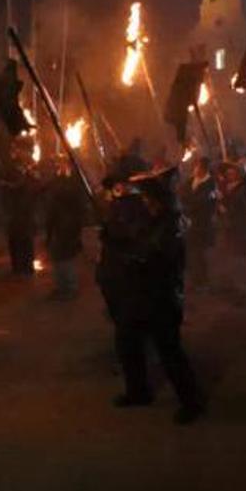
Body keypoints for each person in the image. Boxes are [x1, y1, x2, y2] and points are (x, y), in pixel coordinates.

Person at [97, 166, 204, 425]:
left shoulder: (171, 224)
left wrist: (116, 246)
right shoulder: (154, 220)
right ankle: (138, 391)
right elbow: (136, 242)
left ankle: (192, 401)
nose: (143, 202)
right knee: (127, 343)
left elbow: (147, 256)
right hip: (138, 294)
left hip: (161, 296)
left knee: (169, 351)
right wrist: (116, 239)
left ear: (158, 200)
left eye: (147, 199)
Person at [44, 158, 86, 300]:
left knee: (65, 257)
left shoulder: (73, 183)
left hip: (67, 226)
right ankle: (61, 286)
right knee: (57, 257)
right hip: (59, 224)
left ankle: (70, 288)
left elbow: (74, 200)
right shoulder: (59, 181)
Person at [218, 161, 246, 297]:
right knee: (233, 255)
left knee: (242, 257)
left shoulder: (245, 189)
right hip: (231, 227)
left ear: (239, 175)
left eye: (233, 172)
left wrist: (226, 207)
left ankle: (245, 287)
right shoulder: (228, 187)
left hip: (241, 227)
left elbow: (242, 207)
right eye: (228, 173)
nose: (229, 174)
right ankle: (235, 285)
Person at [2, 144, 40, 276]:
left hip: (25, 212)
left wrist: (28, 177)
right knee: (15, 240)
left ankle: (27, 268)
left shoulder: (30, 173)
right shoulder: (11, 171)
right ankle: (17, 267)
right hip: (15, 212)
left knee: (25, 240)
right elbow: (9, 186)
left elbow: (35, 188)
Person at [182, 156, 218, 290]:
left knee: (200, 254)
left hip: (202, 224)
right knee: (190, 253)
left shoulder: (210, 184)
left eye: (197, 166)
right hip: (189, 223)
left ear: (203, 168)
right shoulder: (191, 181)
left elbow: (202, 202)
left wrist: (190, 205)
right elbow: (182, 195)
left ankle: (203, 282)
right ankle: (194, 280)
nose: (195, 169)